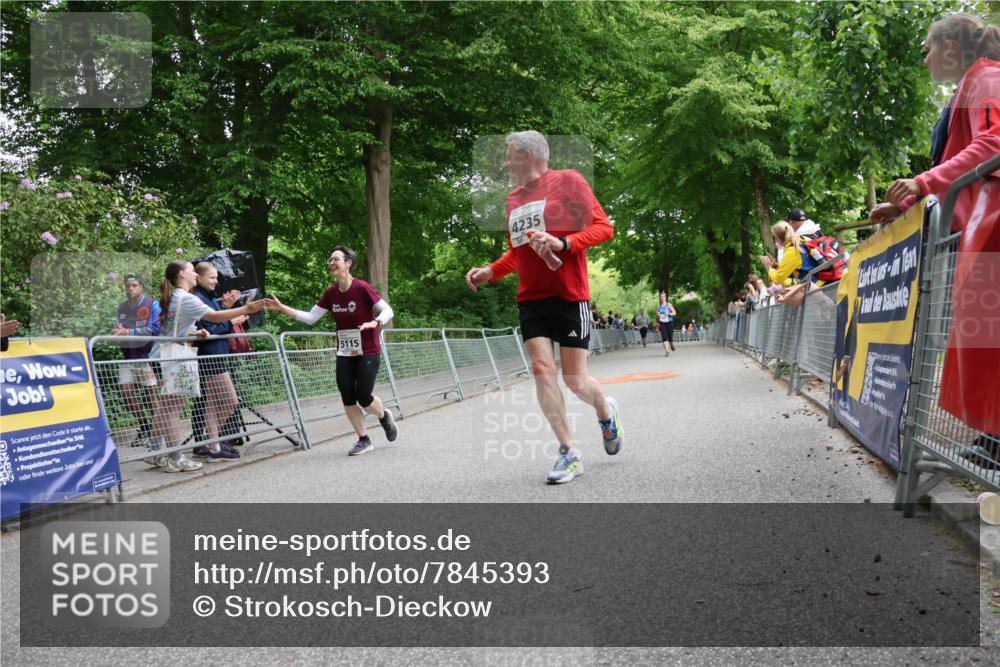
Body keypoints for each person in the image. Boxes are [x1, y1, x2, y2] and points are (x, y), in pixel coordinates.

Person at [869, 14, 1000, 445]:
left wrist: (922, 182)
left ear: (948, 47)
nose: (924, 57)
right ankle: (992, 442)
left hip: (992, 228)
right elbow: (962, 163)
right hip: (979, 230)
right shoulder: (969, 86)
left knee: (987, 340)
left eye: (928, 47)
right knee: (982, 342)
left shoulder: (987, 77)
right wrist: (905, 205)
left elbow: (994, 142)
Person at [465, 130, 622, 485]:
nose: (505, 163)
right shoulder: (513, 200)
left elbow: (603, 227)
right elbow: (518, 253)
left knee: (576, 381)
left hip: (569, 295)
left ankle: (605, 410)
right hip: (531, 298)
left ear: (528, 156)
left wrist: (564, 242)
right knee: (540, 367)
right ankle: (569, 451)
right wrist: (492, 271)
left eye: (509, 156)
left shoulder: (569, 182)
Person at [268, 246, 398, 456]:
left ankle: (384, 417)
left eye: (336, 259)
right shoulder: (331, 293)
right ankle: (363, 439)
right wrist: (282, 308)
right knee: (347, 394)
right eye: (329, 260)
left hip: (368, 349)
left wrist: (374, 323)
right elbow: (311, 318)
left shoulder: (362, 287)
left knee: (363, 396)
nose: (331, 263)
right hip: (345, 352)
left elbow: (388, 310)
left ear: (348, 263)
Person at [147, 260, 268, 473]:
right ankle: (176, 457)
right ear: (182, 274)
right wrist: (246, 308)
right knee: (173, 408)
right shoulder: (186, 297)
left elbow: (172, 328)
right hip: (175, 357)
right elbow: (214, 316)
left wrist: (193, 333)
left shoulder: (175, 296)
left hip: (164, 353)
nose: (195, 274)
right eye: (192, 271)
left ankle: (156, 451)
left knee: (167, 406)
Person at [190, 262, 247, 462]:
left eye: (216, 277)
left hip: (217, 354)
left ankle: (214, 445)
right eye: (212, 277)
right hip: (209, 356)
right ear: (199, 277)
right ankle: (211, 440)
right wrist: (231, 322)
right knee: (231, 400)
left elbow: (217, 321)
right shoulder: (197, 299)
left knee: (213, 403)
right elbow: (211, 329)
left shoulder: (210, 298)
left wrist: (227, 309)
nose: (216, 281)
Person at [111, 273, 161, 448]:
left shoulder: (152, 304)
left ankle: (157, 432)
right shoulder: (122, 307)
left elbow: (154, 329)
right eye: (127, 286)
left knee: (150, 395)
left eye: (134, 285)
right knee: (126, 393)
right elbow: (118, 327)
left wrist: (128, 332)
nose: (130, 289)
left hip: (146, 356)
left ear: (141, 287)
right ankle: (145, 426)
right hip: (127, 356)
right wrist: (116, 332)